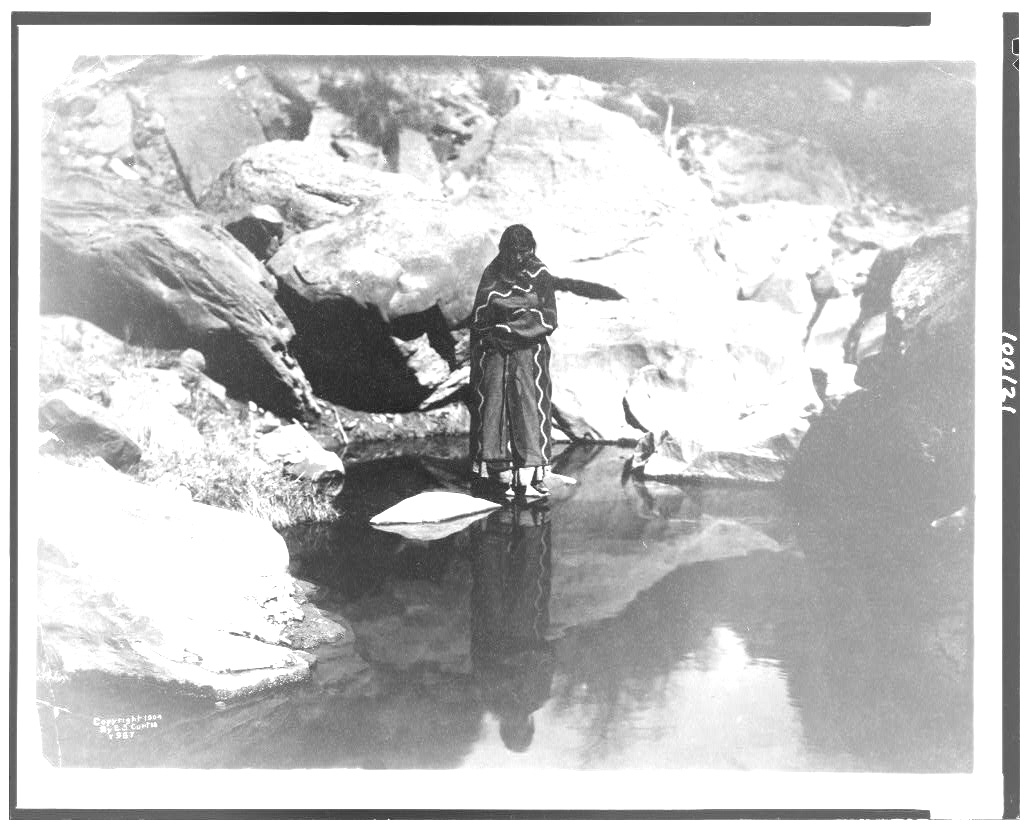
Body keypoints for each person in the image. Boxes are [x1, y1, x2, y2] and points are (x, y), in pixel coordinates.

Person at [469, 224, 558, 499]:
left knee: (529, 406)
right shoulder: (492, 273)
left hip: (528, 351)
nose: (518, 258)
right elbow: (480, 316)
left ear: (531, 250)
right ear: (503, 250)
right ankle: (499, 473)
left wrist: (512, 327)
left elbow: (548, 318)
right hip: (496, 350)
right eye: (513, 252)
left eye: (524, 252)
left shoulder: (540, 275)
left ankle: (531, 475)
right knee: (494, 405)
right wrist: (499, 331)